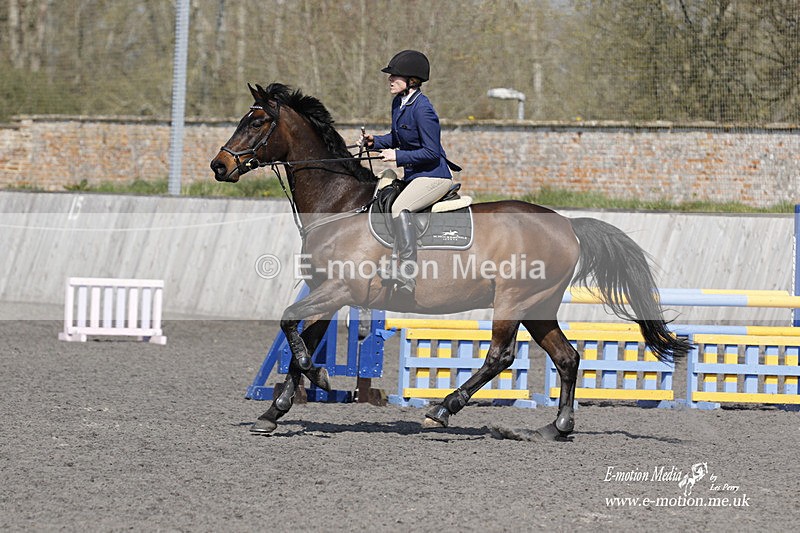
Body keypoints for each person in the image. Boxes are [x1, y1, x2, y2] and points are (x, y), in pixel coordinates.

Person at [362, 50, 459, 294]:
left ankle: (407, 274)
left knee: (399, 208)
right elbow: (398, 137)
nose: (390, 79)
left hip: (434, 177)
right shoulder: (399, 103)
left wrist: (398, 156)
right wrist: (375, 142)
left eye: (395, 76)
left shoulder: (423, 109)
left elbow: (431, 152)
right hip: (414, 177)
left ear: (412, 80)